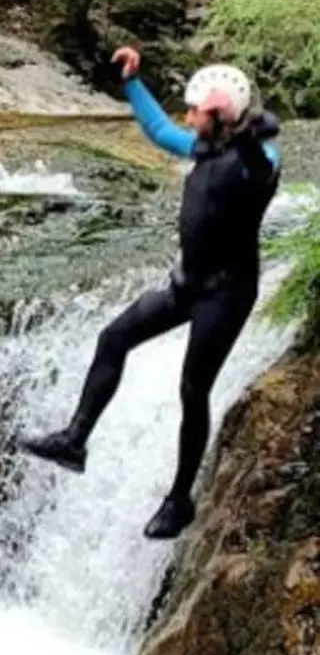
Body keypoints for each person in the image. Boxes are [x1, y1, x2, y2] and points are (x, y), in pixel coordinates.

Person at [20, 45, 282, 541]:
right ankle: (74, 440)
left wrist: (249, 134)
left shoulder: (259, 156)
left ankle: (179, 500)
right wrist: (132, 82)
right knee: (114, 337)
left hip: (226, 294)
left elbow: (260, 169)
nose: (188, 117)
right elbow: (160, 131)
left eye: (196, 110)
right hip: (187, 284)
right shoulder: (203, 147)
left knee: (193, 390)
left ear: (220, 114)